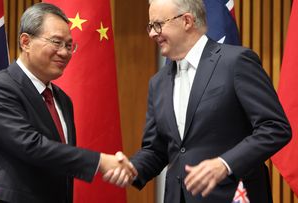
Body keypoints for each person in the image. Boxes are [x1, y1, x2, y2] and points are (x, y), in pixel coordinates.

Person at [104, 0, 292, 202]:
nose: (151, 33)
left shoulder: (235, 62)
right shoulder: (157, 82)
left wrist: (224, 164)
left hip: (233, 196)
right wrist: (131, 168)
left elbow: (275, 127)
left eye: (158, 25)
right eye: (150, 26)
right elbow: (156, 150)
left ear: (186, 21)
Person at [0, 3, 136, 203]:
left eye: (69, 45)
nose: (64, 52)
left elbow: (60, 163)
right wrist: (100, 162)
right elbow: (31, 146)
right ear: (25, 42)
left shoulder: (62, 100)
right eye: (56, 42)